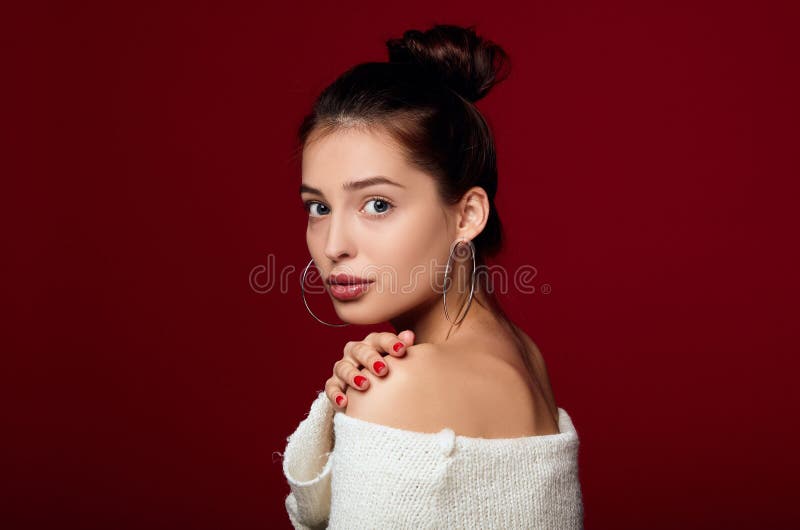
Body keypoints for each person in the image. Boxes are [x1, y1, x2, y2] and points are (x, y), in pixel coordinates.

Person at [279, 23, 584, 529]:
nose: (333, 246)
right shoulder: (523, 354)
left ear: (466, 216)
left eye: (377, 204)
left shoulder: (399, 385)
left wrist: (374, 400)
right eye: (318, 206)